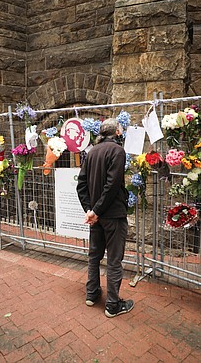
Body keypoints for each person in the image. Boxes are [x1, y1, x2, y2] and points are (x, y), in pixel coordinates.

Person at [76, 118, 134, 318]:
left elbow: (81, 184)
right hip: (112, 215)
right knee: (114, 260)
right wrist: (95, 211)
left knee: (94, 255)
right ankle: (112, 305)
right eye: (121, 127)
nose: (122, 130)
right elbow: (112, 185)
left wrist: (90, 210)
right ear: (117, 132)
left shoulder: (92, 152)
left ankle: (91, 294)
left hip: (97, 216)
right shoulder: (117, 151)